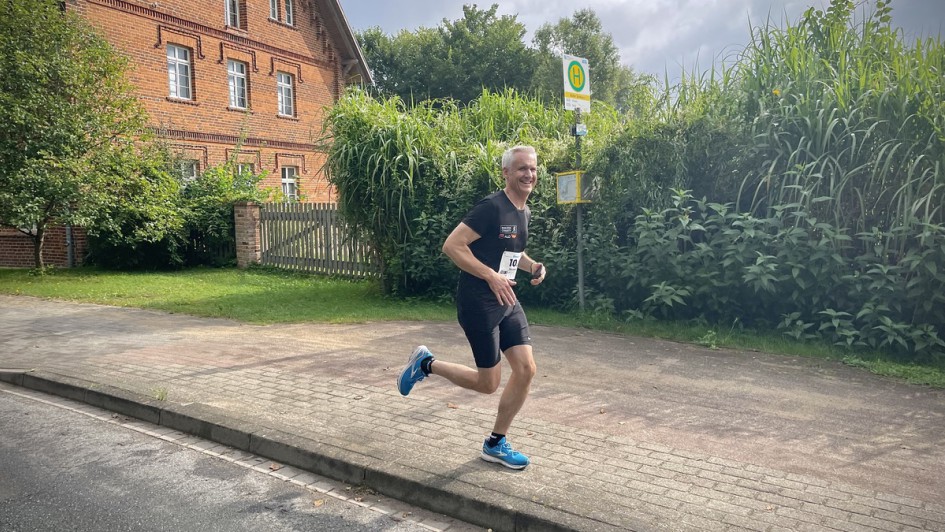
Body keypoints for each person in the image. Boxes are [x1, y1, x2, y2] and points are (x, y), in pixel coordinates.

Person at [397, 145, 546, 470]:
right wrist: (490, 276)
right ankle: (426, 364)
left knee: (526, 369)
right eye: (521, 168)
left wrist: (533, 266)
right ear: (506, 173)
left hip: (506, 299)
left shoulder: (524, 212)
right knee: (488, 383)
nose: (528, 175)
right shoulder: (491, 207)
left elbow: (511, 252)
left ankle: (495, 443)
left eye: (532, 169)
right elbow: (452, 245)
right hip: (478, 302)